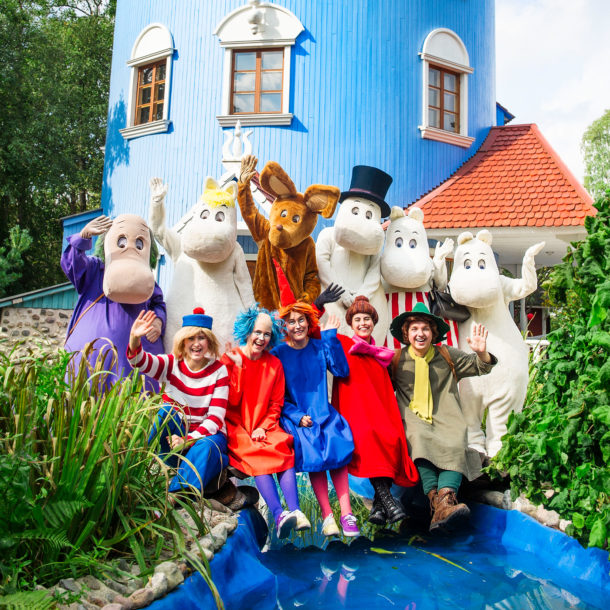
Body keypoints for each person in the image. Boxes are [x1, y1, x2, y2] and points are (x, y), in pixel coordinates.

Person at [389, 302, 497, 532]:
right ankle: (438, 503)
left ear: (433, 333)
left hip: (446, 417)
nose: (420, 333)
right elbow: (377, 386)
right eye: (415, 329)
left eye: (425, 328)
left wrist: (481, 352)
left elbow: (481, 366)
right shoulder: (396, 359)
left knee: (456, 437)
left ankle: (445, 500)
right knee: (417, 437)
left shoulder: (446, 354)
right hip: (414, 420)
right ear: (406, 333)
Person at [222, 305, 311, 539]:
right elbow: (230, 401)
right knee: (258, 454)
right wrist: (239, 368)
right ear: (247, 331)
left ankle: (296, 511)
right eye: (257, 332)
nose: (261, 338)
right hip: (237, 425)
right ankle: (279, 514)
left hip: (265, 423)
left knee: (281, 446)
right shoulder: (230, 359)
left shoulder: (274, 364)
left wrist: (264, 425)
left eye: (267, 334)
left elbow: (276, 403)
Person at [273, 302, 358, 537]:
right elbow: (277, 395)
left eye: (301, 320)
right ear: (284, 326)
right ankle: (327, 515)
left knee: (336, 447)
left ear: (310, 323)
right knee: (314, 453)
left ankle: (347, 514)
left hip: (324, 412)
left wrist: (331, 337)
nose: (297, 325)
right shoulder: (278, 354)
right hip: (298, 416)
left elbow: (341, 371)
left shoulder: (320, 347)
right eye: (291, 321)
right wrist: (298, 417)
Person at [332, 296, 419, 525]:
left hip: (380, 412)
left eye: (367, 318)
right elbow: (312, 336)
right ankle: (389, 501)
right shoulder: (342, 343)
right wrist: (320, 307)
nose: (363, 323)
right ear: (350, 323)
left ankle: (379, 509)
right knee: (368, 440)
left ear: (374, 322)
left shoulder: (381, 353)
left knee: (391, 439)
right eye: (358, 319)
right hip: (354, 414)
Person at [127, 307, 230, 496]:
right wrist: (135, 339)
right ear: (182, 341)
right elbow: (140, 362)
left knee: (207, 447)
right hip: (174, 437)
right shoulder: (171, 363)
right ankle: (134, 465)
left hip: (203, 437)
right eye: (191, 338)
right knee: (166, 411)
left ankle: (175, 495)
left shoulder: (219, 370)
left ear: (209, 341)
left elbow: (215, 419)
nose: (196, 344)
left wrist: (187, 440)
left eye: (201, 338)